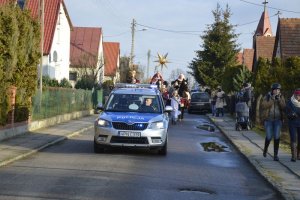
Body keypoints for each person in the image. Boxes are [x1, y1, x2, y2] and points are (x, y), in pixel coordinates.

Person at [261, 83, 286, 161]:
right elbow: (264, 106)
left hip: (278, 120)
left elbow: (284, 107)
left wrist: (279, 101)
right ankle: (265, 149)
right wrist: (272, 100)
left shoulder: (281, 97)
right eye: (275, 90)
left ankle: (275, 155)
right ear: (272, 90)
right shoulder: (267, 96)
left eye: (278, 90)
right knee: (268, 136)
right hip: (268, 120)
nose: (277, 91)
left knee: (276, 137)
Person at [286, 88, 300, 162]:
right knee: (293, 139)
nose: (297, 96)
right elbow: (287, 111)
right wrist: (291, 114)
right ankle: (293, 156)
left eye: (299, 95)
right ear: (294, 94)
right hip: (292, 123)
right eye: (296, 94)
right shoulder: (290, 102)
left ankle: (298, 155)